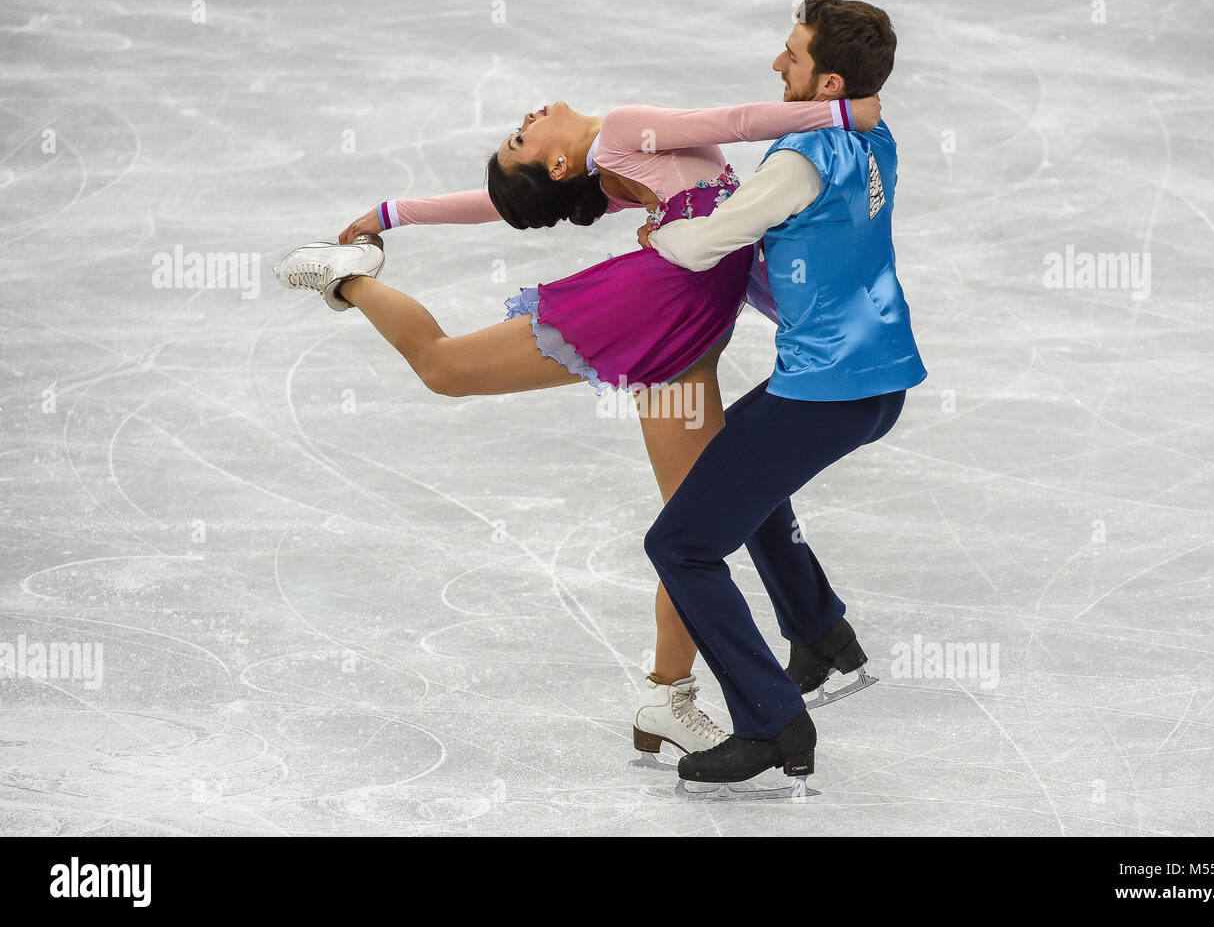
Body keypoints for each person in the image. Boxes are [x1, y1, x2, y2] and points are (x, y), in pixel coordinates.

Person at [274, 92, 880, 760]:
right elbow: (729, 124)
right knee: (444, 366)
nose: (528, 116)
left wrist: (393, 212)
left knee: (695, 527)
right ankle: (350, 278)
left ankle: (667, 694)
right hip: (656, 305)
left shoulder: (613, 164)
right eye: (520, 137)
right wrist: (841, 114)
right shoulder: (620, 131)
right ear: (559, 162)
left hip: (690, 329)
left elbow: (498, 202)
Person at [641, 0, 927, 792]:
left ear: (827, 79)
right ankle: (818, 631)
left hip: (825, 389)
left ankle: (770, 719)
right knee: (745, 476)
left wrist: (656, 232)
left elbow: (707, 242)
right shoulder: (874, 137)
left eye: (792, 56)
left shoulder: (803, 158)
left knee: (681, 544)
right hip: (877, 380)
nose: (777, 64)